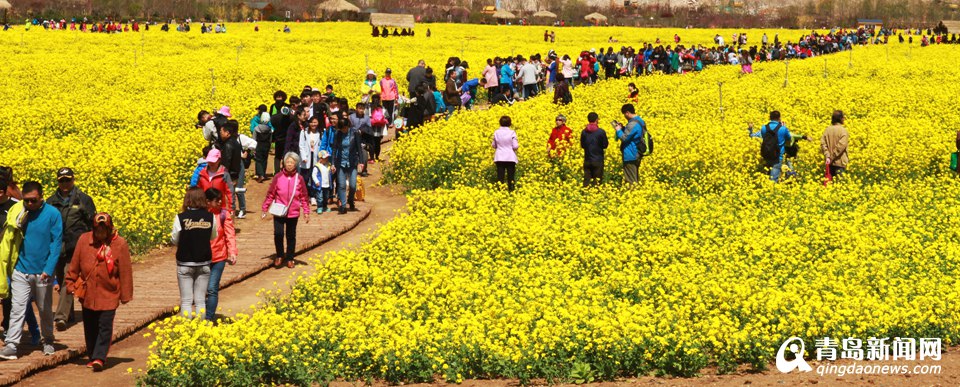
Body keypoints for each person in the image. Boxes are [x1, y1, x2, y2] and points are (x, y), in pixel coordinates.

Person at [64, 212, 133, 371]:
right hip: (88, 294)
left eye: (104, 229)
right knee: (90, 326)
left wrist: (125, 295)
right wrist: (70, 283)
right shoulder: (84, 240)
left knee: (105, 326)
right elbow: (74, 264)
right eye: (97, 230)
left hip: (109, 293)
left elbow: (125, 271)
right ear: (93, 229)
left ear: (110, 228)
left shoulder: (120, 244)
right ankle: (92, 355)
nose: (100, 233)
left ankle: (100, 358)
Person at [0, 181, 61, 360]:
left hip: (43, 272)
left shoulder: (52, 214)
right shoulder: (19, 212)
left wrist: (49, 269)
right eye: (27, 200)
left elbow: (56, 243)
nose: (30, 204)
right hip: (21, 270)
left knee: (44, 309)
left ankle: (48, 340)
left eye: (34, 200)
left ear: (41, 197)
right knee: (17, 309)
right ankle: (11, 345)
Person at [46, 167, 96, 331]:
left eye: (68, 180)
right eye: (62, 180)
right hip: (56, 247)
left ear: (73, 180)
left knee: (69, 279)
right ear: (58, 182)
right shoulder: (51, 201)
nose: (65, 183)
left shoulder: (83, 199)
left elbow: (92, 224)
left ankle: (61, 317)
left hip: (75, 247)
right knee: (61, 280)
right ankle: (70, 313)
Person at [171, 187, 217, 318]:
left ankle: (187, 331)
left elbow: (174, 239)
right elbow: (213, 236)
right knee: (200, 300)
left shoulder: (180, 217)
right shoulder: (210, 217)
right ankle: (200, 330)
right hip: (204, 262)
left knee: (186, 301)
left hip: (185, 262)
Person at [261, 153, 310, 269]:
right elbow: (271, 194)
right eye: (287, 162)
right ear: (283, 163)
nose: (289, 164)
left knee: (291, 235)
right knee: (278, 234)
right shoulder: (278, 177)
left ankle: (290, 258)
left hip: (293, 212)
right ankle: (279, 255)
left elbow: (304, 196)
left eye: (292, 163)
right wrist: (265, 207)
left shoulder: (300, 179)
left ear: (295, 164)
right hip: (279, 211)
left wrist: (306, 211)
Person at [203, 188, 236, 321]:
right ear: (208, 202)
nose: (220, 202)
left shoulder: (223, 214)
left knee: (212, 288)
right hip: (203, 258)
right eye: (217, 200)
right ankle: (203, 314)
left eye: (221, 199)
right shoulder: (201, 214)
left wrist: (232, 251)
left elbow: (230, 234)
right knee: (201, 290)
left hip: (219, 257)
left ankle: (209, 319)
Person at [331, 115, 364, 214]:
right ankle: (343, 206)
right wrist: (332, 163)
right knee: (341, 185)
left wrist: (361, 162)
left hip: (352, 162)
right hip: (341, 162)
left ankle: (350, 199)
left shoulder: (355, 133)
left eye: (345, 128)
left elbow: (359, 148)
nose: (343, 130)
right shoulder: (338, 134)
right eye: (341, 128)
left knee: (353, 185)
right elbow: (334, 149)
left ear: (348, 126)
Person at [749, 111, 794, 182]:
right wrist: (784, 128)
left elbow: (757, 136)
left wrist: (750, 129)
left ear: (770, 118)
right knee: (773, 179)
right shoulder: (783, 129)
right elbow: (789, 138)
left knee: (766, 175)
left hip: (766, 154)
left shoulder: (764, 128)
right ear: (779, 118)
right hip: (777, 156)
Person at [614, 104, 647, 184]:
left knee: (631, 180)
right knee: (634, 176)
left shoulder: (632, 124)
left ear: (627, 113)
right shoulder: (640, 120)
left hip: (631, 153)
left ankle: (633, 193)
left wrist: (618, 130)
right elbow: (633, 134)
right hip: (637, 152)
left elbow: (624, 138)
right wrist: (624, 128)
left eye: (624, 114)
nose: (624, 116)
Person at [218, 121, 244, 217]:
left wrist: (222, 175)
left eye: (221, 132)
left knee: (227, 200)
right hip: (235, 175)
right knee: (231, 198)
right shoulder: (235, 142)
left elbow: (226, 162)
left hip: (229, 175)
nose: (220, 134)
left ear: (227, 133)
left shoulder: (228, 145)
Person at [299, 116, 324, 206]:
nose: (313, 124)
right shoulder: (304, 132)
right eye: (312, 122)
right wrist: (303, 157)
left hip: (316, 157)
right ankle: (303, 197)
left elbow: (321, 146)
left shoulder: (321, 132)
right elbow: (301, 145)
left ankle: (313, 196)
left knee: (314, 178)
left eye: (315, 122)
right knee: (305, 179)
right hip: (306, 158)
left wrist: (321, 157)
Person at [492, 116, 519, 192]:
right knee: (511, 177)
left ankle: (500, 192)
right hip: (510, 157)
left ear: (500, 123)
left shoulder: (496, 132)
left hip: (499, 157)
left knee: (500, 177)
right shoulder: (512, 133)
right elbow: (515, 146)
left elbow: (494, 145)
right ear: (510, 123)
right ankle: (511, 191)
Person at [581, 113, 609, 187]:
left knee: (586, 181)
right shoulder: (601, 132)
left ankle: (585, 195)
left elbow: (582, 145)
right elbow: (605, 145)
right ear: (597, 120)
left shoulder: (584, 132)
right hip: (598, 160)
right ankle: (596, 195)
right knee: (597, 182)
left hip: (587, 160)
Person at [821, 110, 850, 178]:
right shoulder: (843, 131)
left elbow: (823, 144)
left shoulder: (827, 130)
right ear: (841, 119)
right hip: (839, 163)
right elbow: (840, 147)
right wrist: (831, 157)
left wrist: (827, 156)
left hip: (829, 163)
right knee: (840, 184)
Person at [270, 91, 292, 175]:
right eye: (277, 97)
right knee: (278, 155)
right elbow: (270, 115)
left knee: (284, 154)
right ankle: (276, 172)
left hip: (285, 132)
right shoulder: (273, 106)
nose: (279, 98)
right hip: (277, 131)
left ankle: (284, 169)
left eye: (280, 97)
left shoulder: (286, 106)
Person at [250, 104, 273, 182]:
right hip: (266, 145)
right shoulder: (269, 129)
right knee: (264, 159)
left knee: (258, 159)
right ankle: (263, 173)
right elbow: (270, 139)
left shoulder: (256, 128)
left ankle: (260, 175)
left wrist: (253, 147)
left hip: (259, 145)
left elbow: (254, 138)